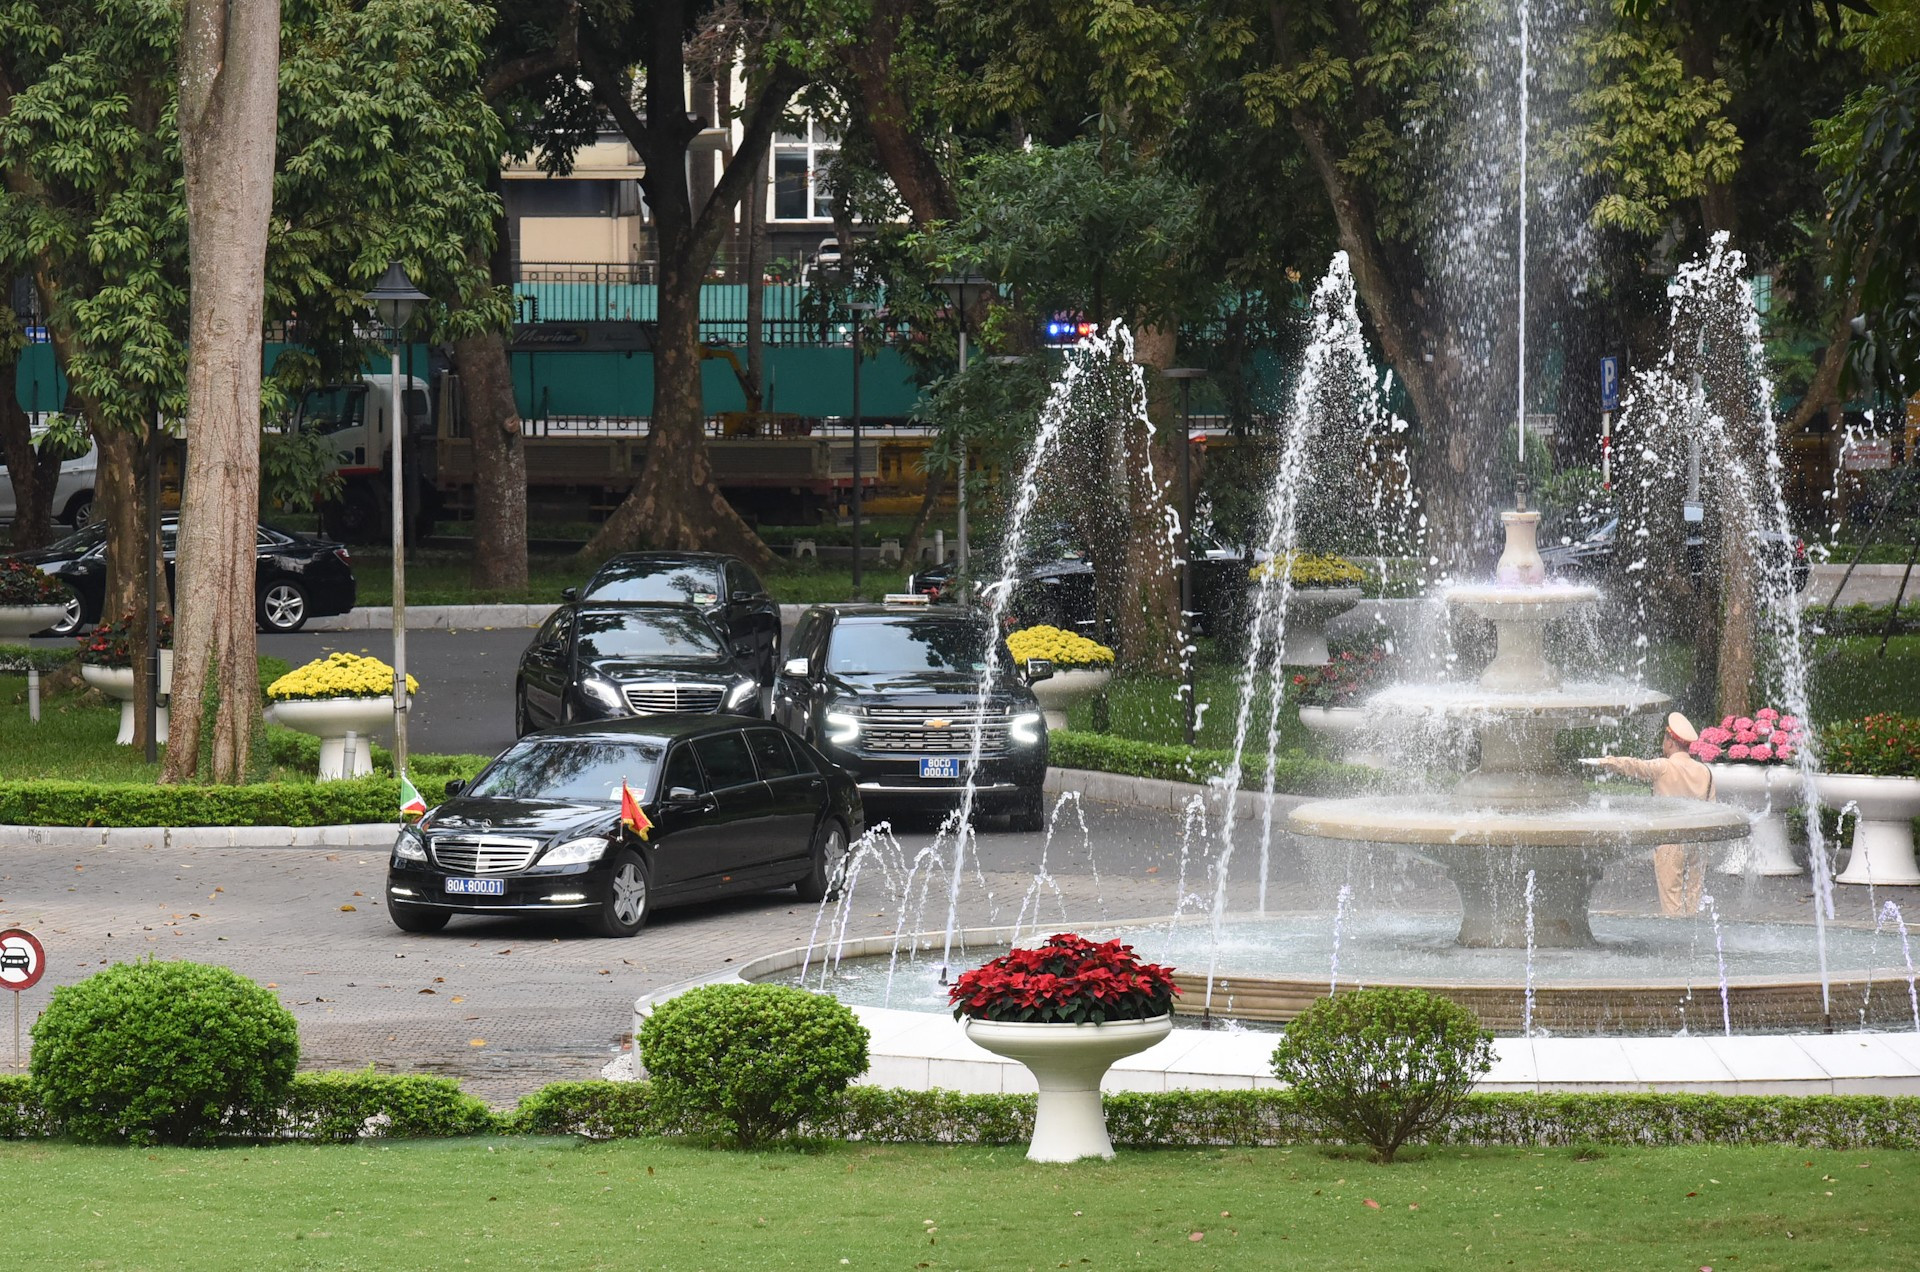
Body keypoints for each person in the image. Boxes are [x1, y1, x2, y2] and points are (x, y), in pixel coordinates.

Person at [1589, 712, 1716, 917]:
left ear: (1671, 742)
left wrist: (1608, 762)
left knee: (1671, 901)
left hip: (1671, 839)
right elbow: (1713, 809)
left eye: (1664, 740)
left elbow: (1636, 766)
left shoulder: (1664, 766)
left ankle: (1676, 942)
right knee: (1693, 899)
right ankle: (1692, 939)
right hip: (1699, 842)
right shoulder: (1705, 771)